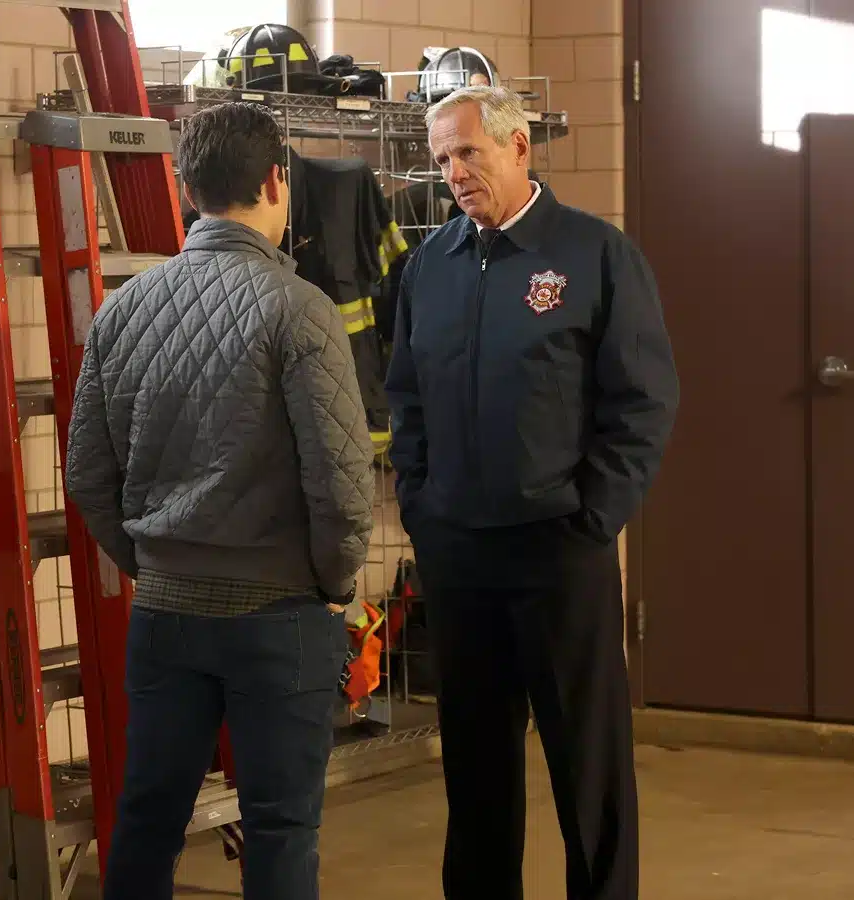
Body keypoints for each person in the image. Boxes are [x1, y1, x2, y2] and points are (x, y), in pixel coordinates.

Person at [63, 101, 375, 900]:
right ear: (276, 181)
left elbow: (87, 474)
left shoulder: (123, 307)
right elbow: (342, 485)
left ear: (185, 187)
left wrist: (155, 564)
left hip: (164, 617)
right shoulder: (299, 308)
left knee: (146, 819)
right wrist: (334, 583)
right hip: (280, 615)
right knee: (281, 828)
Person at [385, 85, 678, 899]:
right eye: (442, 159)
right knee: (475, 768)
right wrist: (422, 505)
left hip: (559, 551)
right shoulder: (429, 267)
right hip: (458, 555)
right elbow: (406, 398)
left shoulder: (594, 254)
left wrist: (591, 517)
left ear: (519, 148)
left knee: (587, 764)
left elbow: (644, 402)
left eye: (468, 152)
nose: (454, 172)